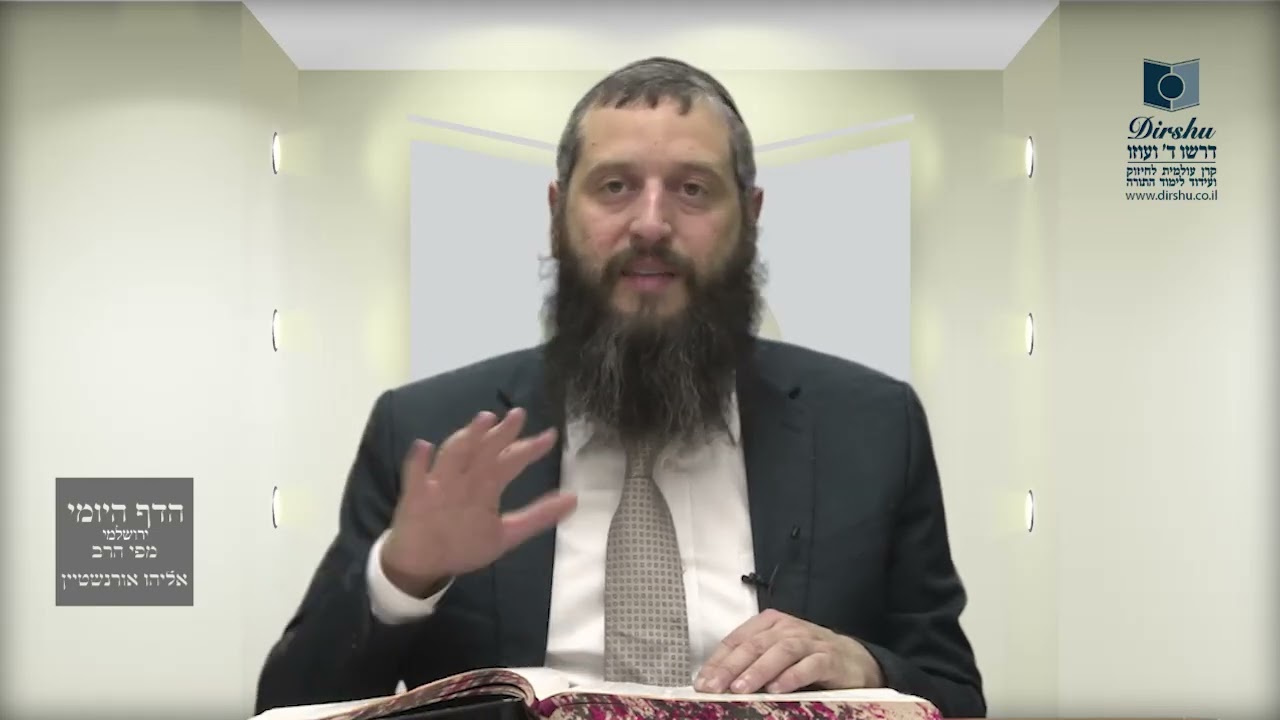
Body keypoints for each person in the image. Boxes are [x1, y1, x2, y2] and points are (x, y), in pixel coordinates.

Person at [255, 57, 985, 719]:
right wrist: (402, 580)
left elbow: (955, 694)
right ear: (557, 213)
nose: (651, 223)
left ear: (750, 217)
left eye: (693, 189)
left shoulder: (873, 425)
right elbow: (289, 705)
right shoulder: (428, 427)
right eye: (615, 187)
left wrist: (864, 665)